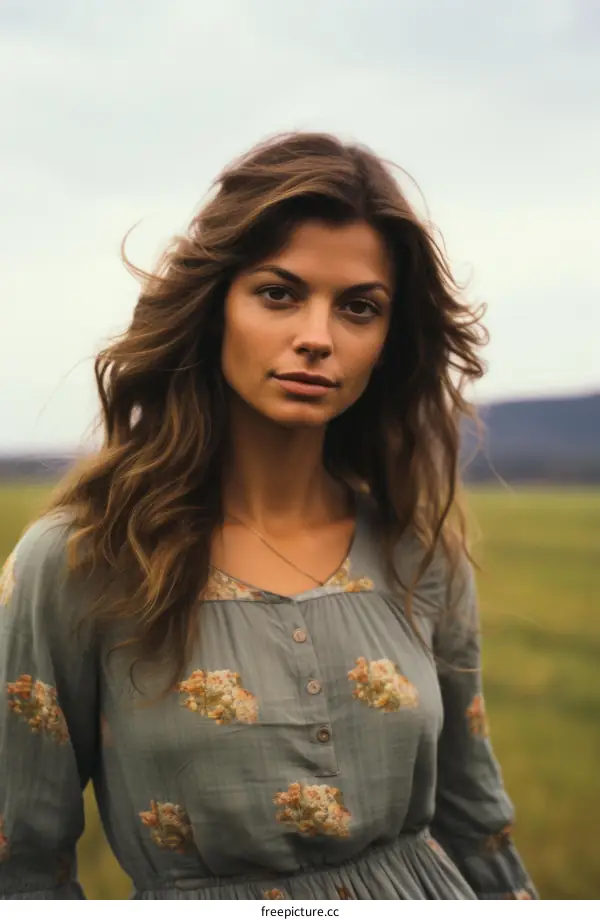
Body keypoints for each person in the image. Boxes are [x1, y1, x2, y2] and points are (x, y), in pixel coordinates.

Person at [0, 132, 537, 900]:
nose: (316, 337)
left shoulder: (421, 555)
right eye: (279, 293)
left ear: (388, 339)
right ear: (215, 304)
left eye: (358, 307)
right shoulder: (82, 562)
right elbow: (21, 864)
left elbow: (476, 818)